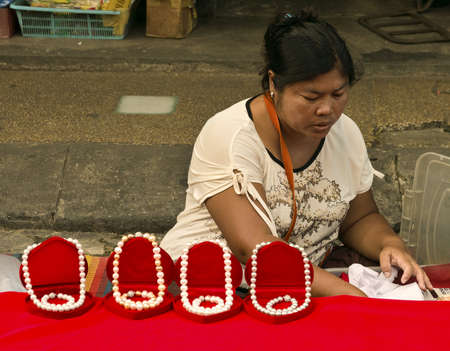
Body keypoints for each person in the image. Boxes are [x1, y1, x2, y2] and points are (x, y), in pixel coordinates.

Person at [160, 9, 432, 297]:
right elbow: (254, 249)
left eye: (338, 94)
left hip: (304, 282)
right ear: (275, 83)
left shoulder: (345, 132)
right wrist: (349, 296)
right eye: (310, 97)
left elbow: (359, 219)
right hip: (218, 287)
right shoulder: (231, 136)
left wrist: (389, 244)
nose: (327, 109)